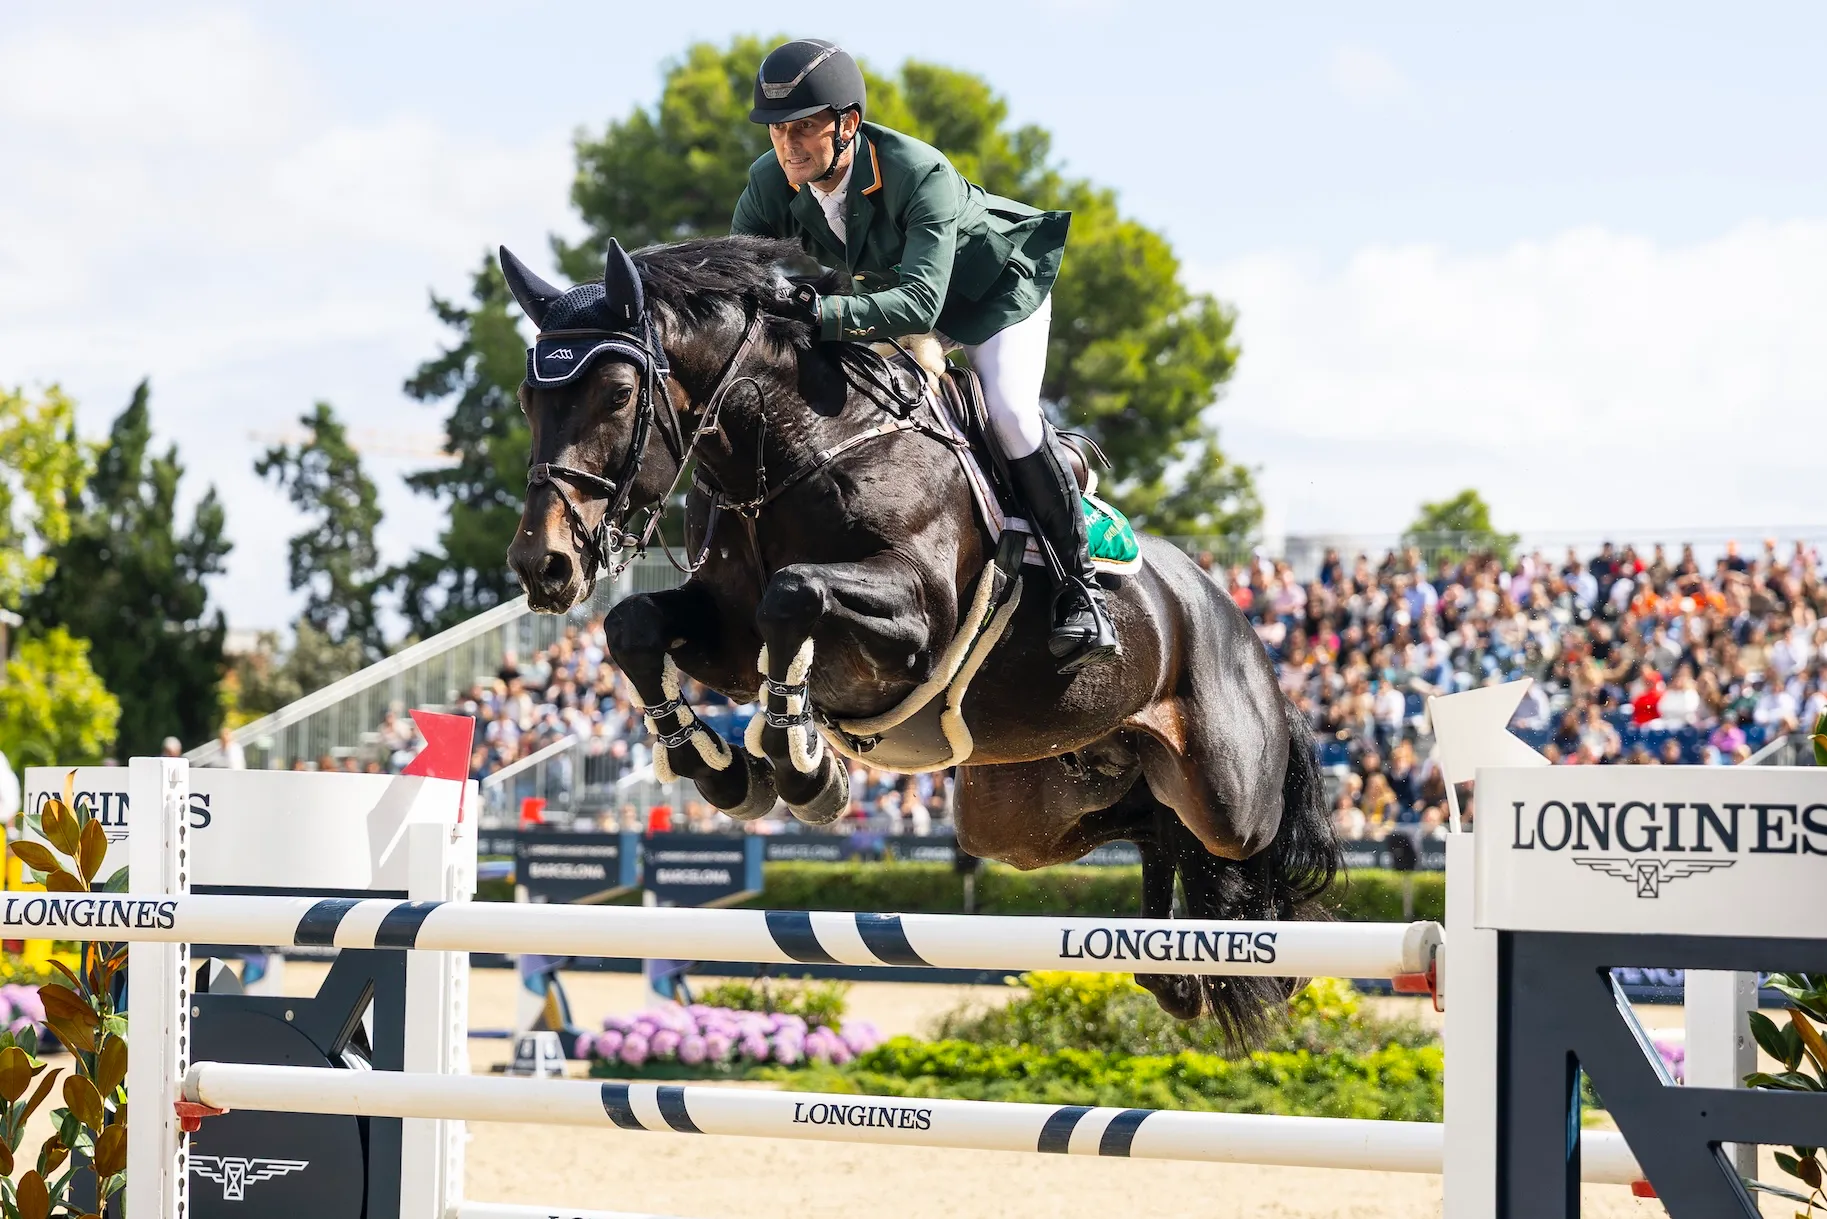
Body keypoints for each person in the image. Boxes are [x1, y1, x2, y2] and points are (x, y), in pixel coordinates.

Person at [730, 39, 1116, 673]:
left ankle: (1080, 588)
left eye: (804, 127)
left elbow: (918, 304)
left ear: (847, 123)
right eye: (777, 130)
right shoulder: (770, 182)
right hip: (889, 299)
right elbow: (742, 281)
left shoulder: (918, 171)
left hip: (990, 295)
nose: (787, 145)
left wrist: (820, 314)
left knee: (1010, 416)